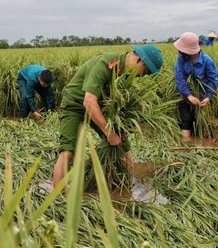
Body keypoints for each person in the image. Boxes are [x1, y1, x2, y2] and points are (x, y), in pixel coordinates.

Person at [52, 44, 163, 188]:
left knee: (123, 145)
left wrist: (122, 128)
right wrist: (109, 133)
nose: (142, 76)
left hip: (99, 107)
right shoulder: (105, 64)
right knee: (68, 151)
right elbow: (89, 101)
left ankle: (127, 187)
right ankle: (57, 199)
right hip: (75, 105)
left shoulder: (127, 74)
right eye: (145, 72)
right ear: (138, 61)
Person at [174, 32, 218, 141]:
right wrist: (188, 95)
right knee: (186, 118)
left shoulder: (207, 61)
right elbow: (179, 77)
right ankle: (186, 142)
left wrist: (208, 97)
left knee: (201, 122)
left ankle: (203, 142)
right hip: (186, 93)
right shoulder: (181, 58)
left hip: (203, 97)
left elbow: (213, 80)